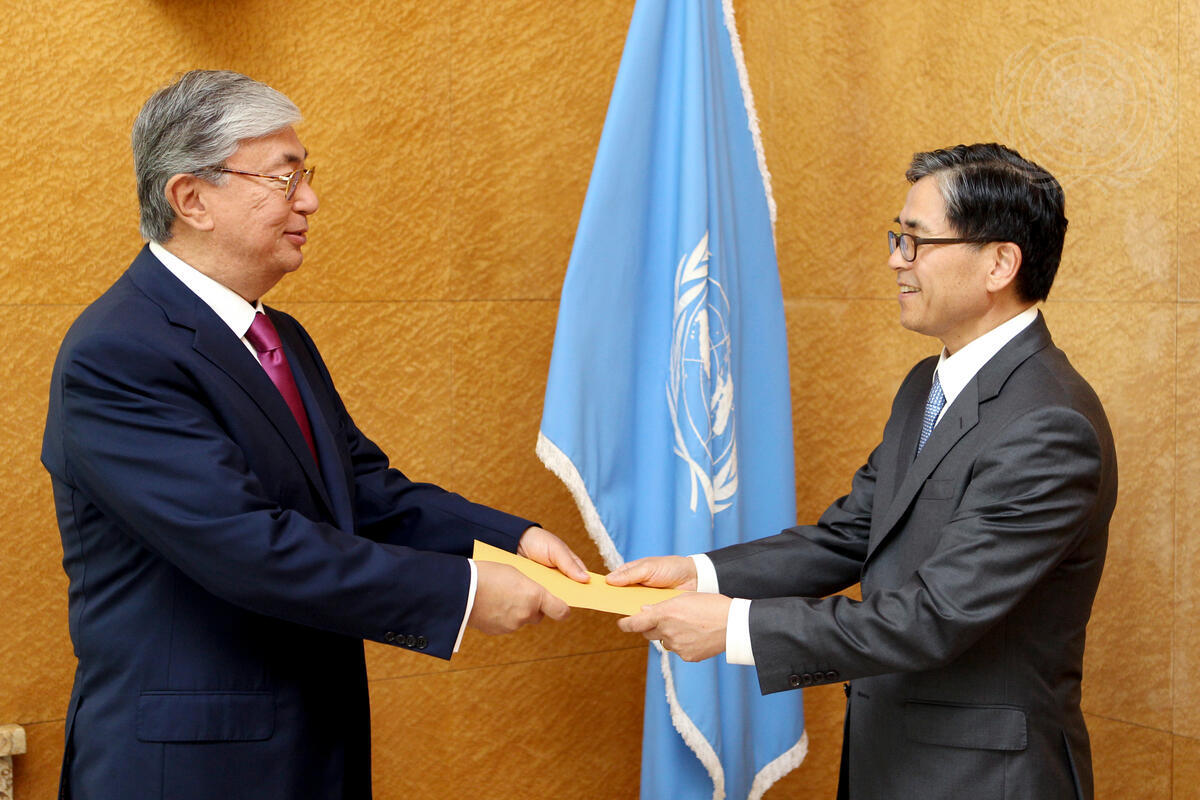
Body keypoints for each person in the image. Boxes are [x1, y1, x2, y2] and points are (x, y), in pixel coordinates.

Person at [41, 69, 588, 800]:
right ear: (191, 199)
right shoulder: (118, 353)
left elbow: (360, 490)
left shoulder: (278, 334)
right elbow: (246, 547)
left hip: (307, 750)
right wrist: (459, 593)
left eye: (306, 174)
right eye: (284, 177)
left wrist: (510, 539)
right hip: (191, 770)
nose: (309, 200)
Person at [609, 143, 1117, 800]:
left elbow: (934, 615)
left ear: (999, 263)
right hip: (890, 764)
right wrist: (699, 573)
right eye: (897, 239)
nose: (895, 260)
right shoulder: (926, 384)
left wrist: (735, 627)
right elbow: (848, 536)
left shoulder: (1050, 425)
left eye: (916, 242)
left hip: (983, 781)